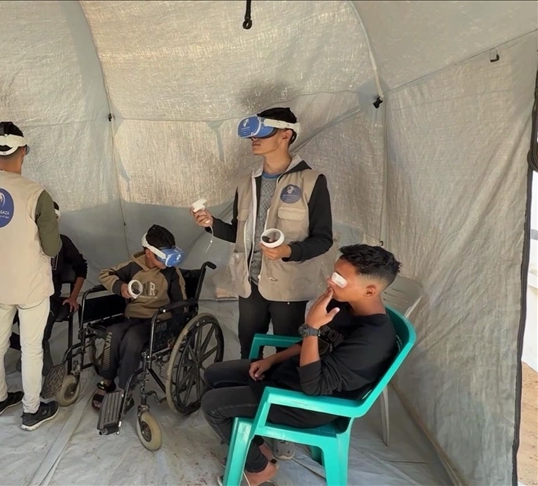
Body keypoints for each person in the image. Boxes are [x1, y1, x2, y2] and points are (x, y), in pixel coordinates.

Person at [201, 245, 401, 486]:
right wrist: (271, 360)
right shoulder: (346, 306)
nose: (330, 280)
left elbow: (313, 386)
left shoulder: (372, 340)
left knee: (212, 405)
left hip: (307, 403)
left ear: (370, 291)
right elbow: (315, 344)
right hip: (291, 375)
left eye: (339, 279)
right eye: (334, 273)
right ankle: (257, 447)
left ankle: (259, 470)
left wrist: (312, 328)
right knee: (213, 374)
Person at [191, 107, 334, 362]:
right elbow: (239, 233)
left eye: (263, 133)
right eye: (252, 135)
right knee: (248, 349)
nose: (254, 139)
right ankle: (248, 386)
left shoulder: (312, 181)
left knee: (286, 352)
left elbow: (323, 239)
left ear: (286, 135)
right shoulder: (246, 183)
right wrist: (211, 223)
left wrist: (288, 251)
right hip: (250, 285)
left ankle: (277, 388)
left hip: (288, 286)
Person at [0, 121, 61, 431]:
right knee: (31, 348)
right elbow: (52, 247)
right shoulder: (37, 194)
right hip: (29, 284)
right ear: (24, 151)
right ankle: (31, 410)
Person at [91, 225, 187, 409]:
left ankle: (124, 388)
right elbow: (105, 274)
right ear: (148, 253)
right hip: (133, 317)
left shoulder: (171, 273)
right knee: (112, 333)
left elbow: (180, 304)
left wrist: (176, 331)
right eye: (162, 257)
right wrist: (121, 287)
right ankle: (107, 380)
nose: (167, 261)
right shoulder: (133, 266)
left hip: (158, 321)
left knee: (133, 338)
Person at [8, 201, 88, 377]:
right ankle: (31, 351)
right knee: (0, 331)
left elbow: (81, 268)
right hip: (23, 295)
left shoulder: (62, 242)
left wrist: (73, 297)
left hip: (48, 297)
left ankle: (36, 355)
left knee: (40, 334)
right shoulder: (25, 242)